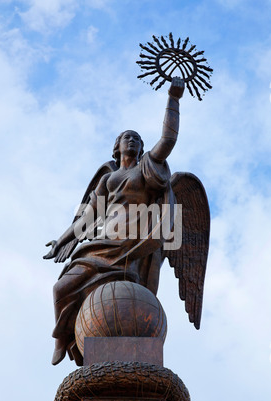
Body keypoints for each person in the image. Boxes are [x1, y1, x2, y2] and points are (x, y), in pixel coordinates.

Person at [44, 77, 185, 365]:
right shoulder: (108, 178)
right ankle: (61, 338)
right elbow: (88, 216)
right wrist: (63, 238)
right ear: (117, 146)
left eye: (136, 138)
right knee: (60, 289)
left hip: (133, 242)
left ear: (142, 147)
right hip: (103, 241)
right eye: (126, 137)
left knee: (125, 301)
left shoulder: (148, 167)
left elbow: (168, 140)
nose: (131, 140)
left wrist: (173, 98)